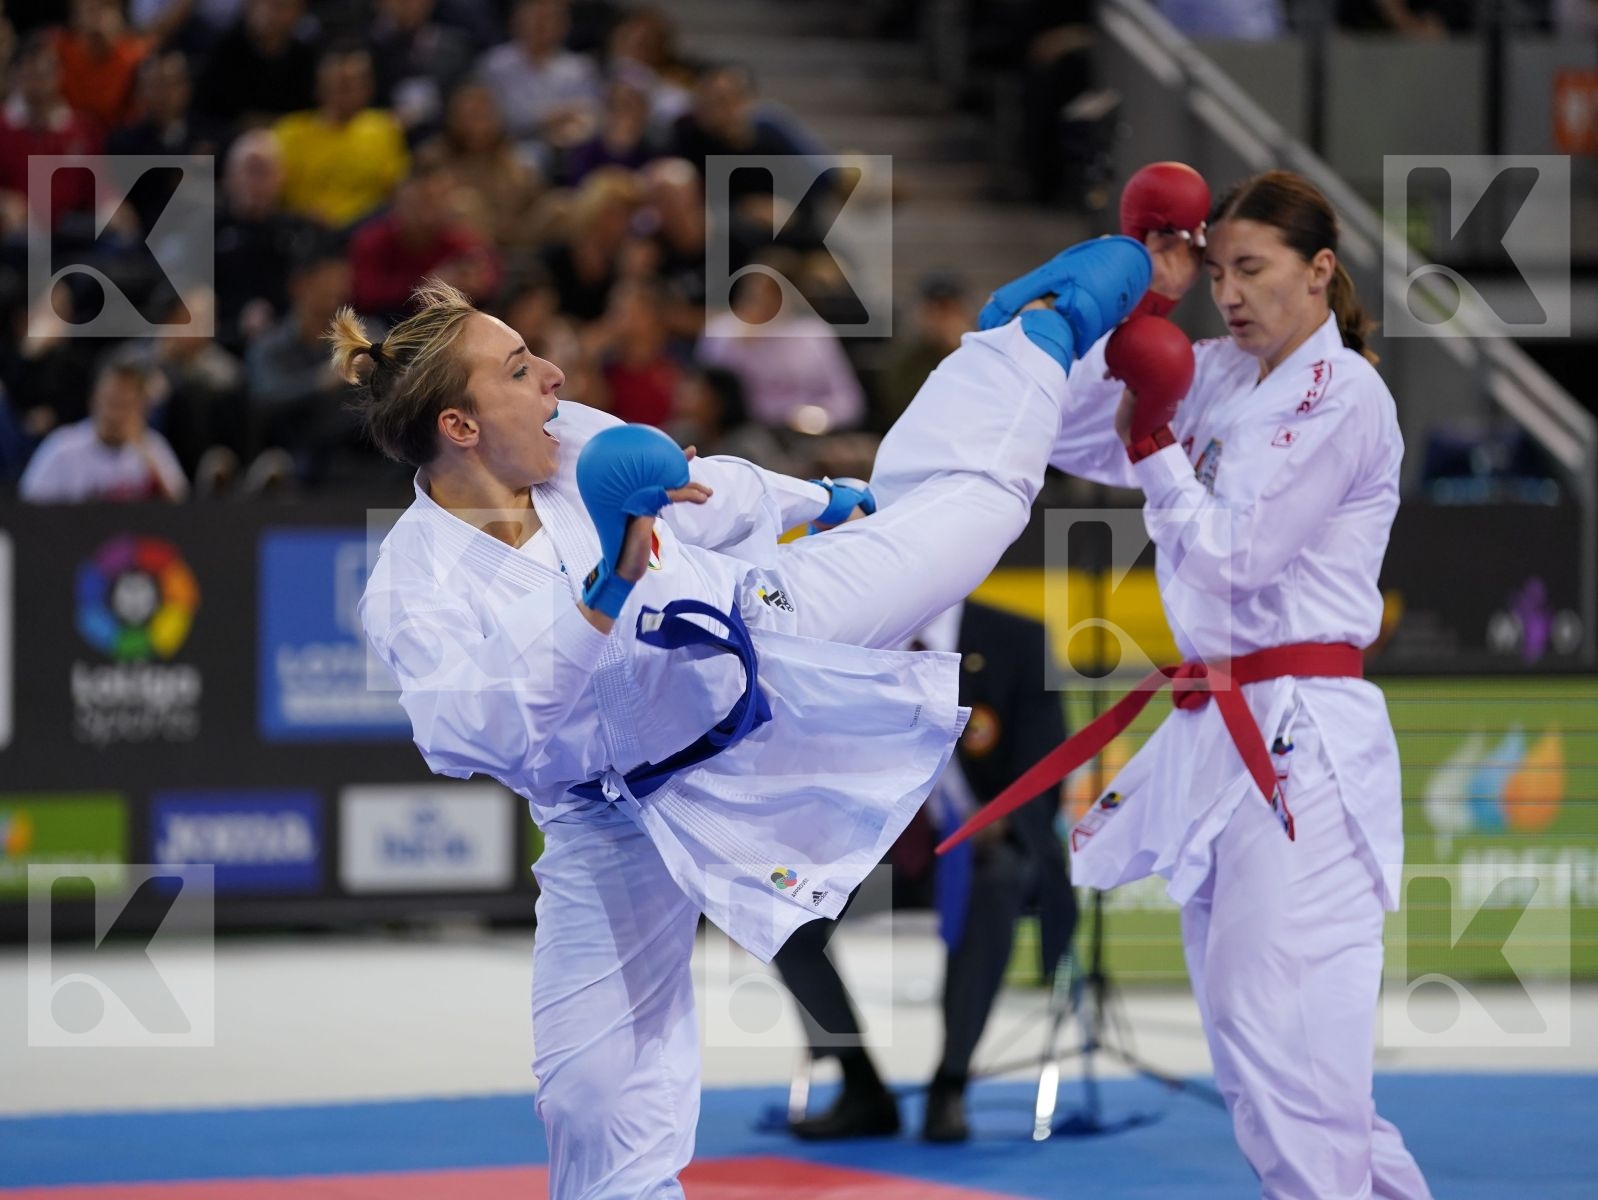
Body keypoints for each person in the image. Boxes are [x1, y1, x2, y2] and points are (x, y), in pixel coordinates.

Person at [341, 233, 1151, 1197]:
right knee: (588, 1097)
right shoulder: (413, 582)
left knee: (968, 515)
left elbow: (711, 488)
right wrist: (598, 598)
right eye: (519, 369)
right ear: (461, 426)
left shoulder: (575, 445)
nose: (554, 373)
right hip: (612, 819)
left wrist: (825, 502)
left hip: (759, 634)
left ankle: (1029, 336)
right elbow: (477, 731)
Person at [1043, 169, 1433, 1198]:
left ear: (1318, 272)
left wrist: (1154, 453)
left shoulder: (1343, 389)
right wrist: (1145, 301)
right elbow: (1056, 425)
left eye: (1250, 270)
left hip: (1302, 733)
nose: (1231, 292)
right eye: (1216, 272)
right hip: (1219, 727)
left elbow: (1234, 558)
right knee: (1262, 1063)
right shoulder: (1209, 372)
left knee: (1279, 1042)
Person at [774, 599, 1075, 1144]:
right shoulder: (852, 630)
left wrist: (999, 820)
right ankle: (858, 1082)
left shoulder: (1016, 638)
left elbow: (1045, 769)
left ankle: (950, 1084)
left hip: (982, 846)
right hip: (875, 847)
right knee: (780, 900)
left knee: (998, 879)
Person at [19, 350, 188, 503]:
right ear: (94, 399)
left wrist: (148, 461)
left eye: (127, 403)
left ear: (143, 407)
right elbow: (31, 511)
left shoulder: (153, 448)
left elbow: (180, 513)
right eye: (112, 401)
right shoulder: (62, 447)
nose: (116, 413)